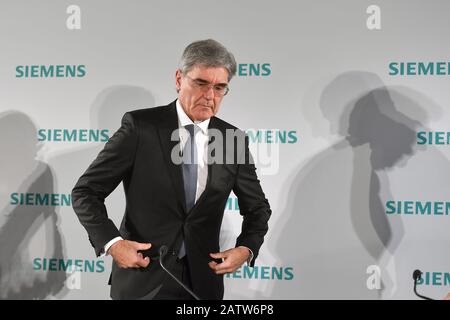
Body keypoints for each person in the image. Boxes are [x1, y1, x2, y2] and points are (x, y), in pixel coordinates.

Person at [71, 39, 271, 300]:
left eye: (220, 88)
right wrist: (113, 244)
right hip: (143, 280)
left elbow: (258, 208)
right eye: (201, 83)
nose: (210, 96)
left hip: (202, 285)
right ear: (179, 79)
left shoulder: (231, 139)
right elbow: (86, 192)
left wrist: (246, 248)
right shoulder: (141, 127)